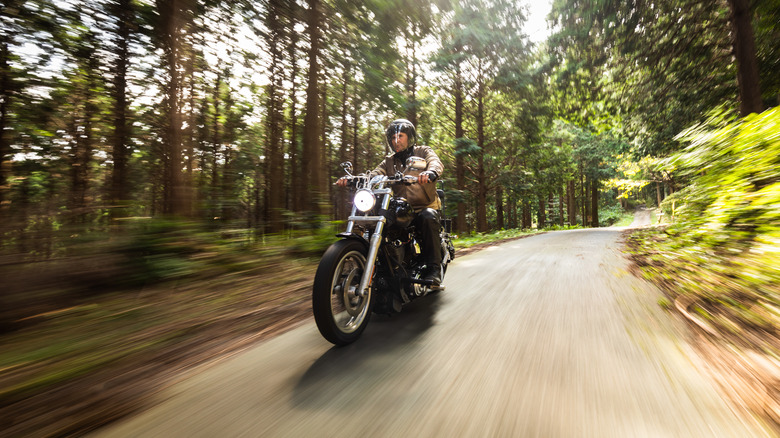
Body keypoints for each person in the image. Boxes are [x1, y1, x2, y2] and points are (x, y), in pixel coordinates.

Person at [337, 119, 445, 285]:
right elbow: (373, 174)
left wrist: (431, 172)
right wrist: (354, 179)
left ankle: (434, 268)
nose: (396, 140)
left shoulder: (422, 152)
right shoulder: (389, 161)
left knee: (428, 217)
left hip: (424, 206)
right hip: (402, 207)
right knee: (380, 220)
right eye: (393, 137)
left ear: (410, 137)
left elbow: (435, 162)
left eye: (400, 136)